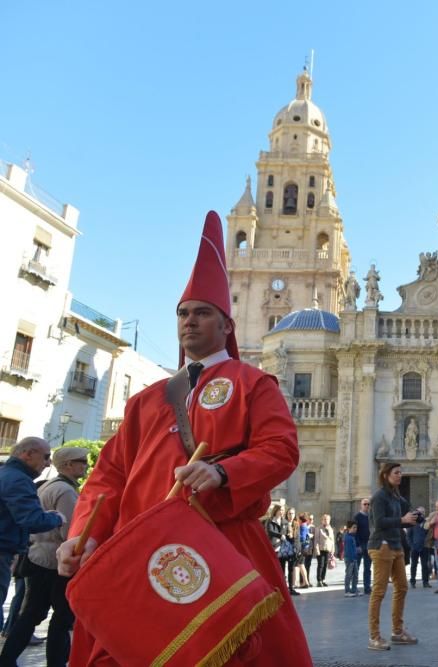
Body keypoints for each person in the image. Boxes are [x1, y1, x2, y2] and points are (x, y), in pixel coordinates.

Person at [55, 211, 311, 665]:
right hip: (141, 551)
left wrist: (222, 472)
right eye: (183, 314)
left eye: (202, 313)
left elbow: (281, 450)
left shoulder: (253, 383)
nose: (189, 322)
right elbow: (109, 477)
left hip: (223, 544)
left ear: (226, 325)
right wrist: (86, 535)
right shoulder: (146, 400)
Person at [0, 446, 88, 666]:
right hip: (53, 562)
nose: (85, 465)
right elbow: (69, 534)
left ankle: (7, 659)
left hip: (38, 557)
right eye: (81, 460)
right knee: (61, 618)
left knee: (31, 614)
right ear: (68, 464)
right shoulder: (66, 491)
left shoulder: (49, 484)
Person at [0, 437, 64, 631]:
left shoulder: (6, 474)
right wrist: (57, 518)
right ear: (28, 454)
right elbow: (32, 520)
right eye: (45, 457)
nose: (48, 463)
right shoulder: (18, 479)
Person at [367, 462, 419, 651]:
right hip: (381, 546)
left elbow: (405, 520)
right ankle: (374, 636)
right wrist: (401, 520)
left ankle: (397, 632)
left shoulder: (397, 497)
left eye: (400, 473)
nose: (400, 476)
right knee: (379, 591)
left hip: (396, 546)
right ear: (386, 475)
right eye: (396, 473)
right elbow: (379, 522)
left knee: (402, 587)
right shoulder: (379, 497)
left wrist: (417, 517)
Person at [407, 506, 431, 588]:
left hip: (424, 547)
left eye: (423, 512)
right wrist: (411, 545)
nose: (422, 514)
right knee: (414, 565)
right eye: (420, 512)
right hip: (414, 547)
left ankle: (425, 582)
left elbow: (429, 534)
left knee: (425, 565)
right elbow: (408, 536)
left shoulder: (426, 522)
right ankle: (412, 581)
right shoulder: (412, 523)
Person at [354, 498, 372, 594]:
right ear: (361, 505)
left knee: (368, 568)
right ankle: (354, 587)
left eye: (368, 504)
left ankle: (367, 587)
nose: (367, 506)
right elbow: (355, 532)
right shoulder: (357, 517)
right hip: (360, 545)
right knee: (356, 567)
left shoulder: (370, 517)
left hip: (369, 545)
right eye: (365, 504)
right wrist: (357, 545)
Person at [316, 513, 335, 586]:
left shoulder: (330, 529)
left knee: (325, 565)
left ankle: (323, 579)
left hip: (328, 549)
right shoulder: (319, 528)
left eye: (327, 519)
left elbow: (332, 541)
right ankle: (319, 580)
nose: (326, 521)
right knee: (320, 565)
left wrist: (333, 550)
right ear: (322, 520)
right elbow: (316, 540)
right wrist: (317, 549)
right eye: (324, 519)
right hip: (321, 549)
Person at [343, 520, 360, 596]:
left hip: (354, 558)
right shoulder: (348, 538)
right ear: (349, 528)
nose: (355, 529)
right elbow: (348, 550)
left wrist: (356, 550)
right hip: (350, 559)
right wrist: (352, 558)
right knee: (349, 575)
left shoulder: (352, 537)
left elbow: (353, 548)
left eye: (356, 527)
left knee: (355, 574)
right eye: (354, 527)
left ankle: (354, 589)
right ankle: (347, 591)